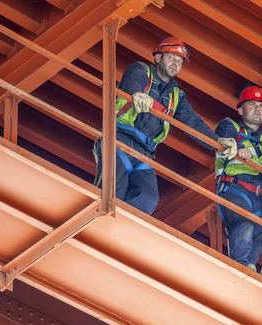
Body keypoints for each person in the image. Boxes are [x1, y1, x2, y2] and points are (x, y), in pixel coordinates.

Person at [93, 36, 237, 215]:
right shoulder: (141, 70)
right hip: (119, 138)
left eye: (180, 61)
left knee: (148, 200)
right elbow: (133, 81)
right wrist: (137, 94)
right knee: (112, 191)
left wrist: (218, 142)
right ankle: (99, 224)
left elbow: (192, 122)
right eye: (171, 58)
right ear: (158, 57)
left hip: (145, 151)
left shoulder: (177, 95)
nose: (176, 64)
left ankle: (119, 230)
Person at [215, 86, 262, 272]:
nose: (258, 109)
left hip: (260, 198)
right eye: (252, 104)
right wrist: (236, 148)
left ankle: (249, 271)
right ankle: (240, 267)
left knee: (258, 234)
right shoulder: (229, 126)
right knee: (245, 223)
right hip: (235, 190)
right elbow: (226, 138)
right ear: (240, 110)